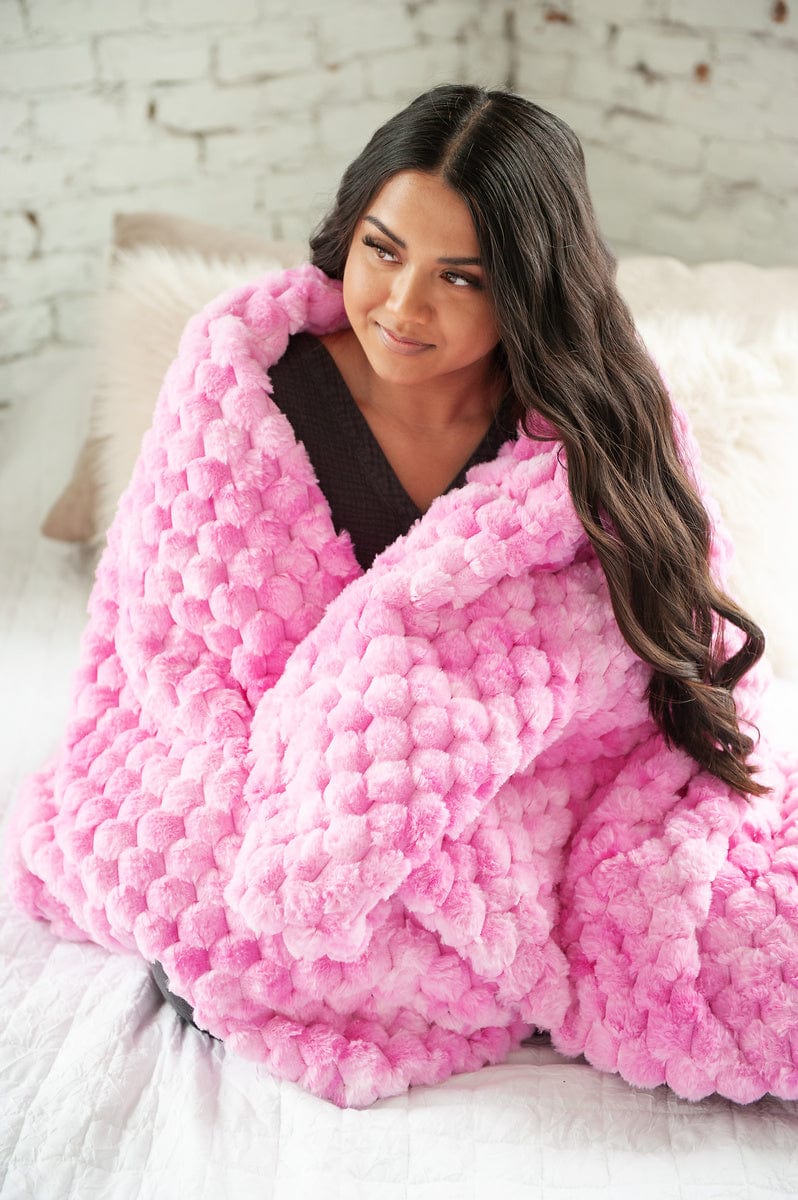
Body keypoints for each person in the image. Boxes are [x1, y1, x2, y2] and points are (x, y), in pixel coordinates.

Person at [7, 85, 796, 1109]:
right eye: (383, 251)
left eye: (460, 277)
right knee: (208, 884)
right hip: (251, 756)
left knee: (702, 931)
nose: (403, 305)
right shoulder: (243, 380)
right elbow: (172, 644)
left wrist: (423, 746)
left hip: (505, 784)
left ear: (528, 288)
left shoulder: (594, 428)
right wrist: (307, 790)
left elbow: (630, 656)